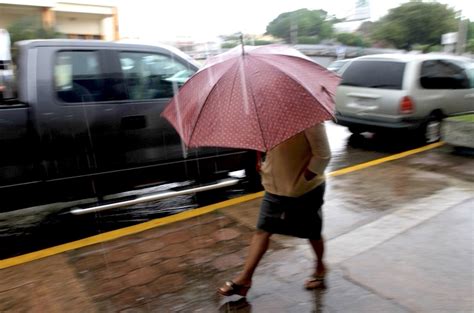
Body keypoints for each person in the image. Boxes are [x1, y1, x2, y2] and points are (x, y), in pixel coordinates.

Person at [218, 123, 331, 297]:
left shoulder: (308, 118)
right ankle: (245, 278)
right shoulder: (269, 117)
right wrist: (261, 159)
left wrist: (305, 177)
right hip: (273, 186)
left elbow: (323, 155)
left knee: (312, 232)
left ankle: (320, 268)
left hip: (305, 189)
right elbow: (272, 149)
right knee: (263, 230)